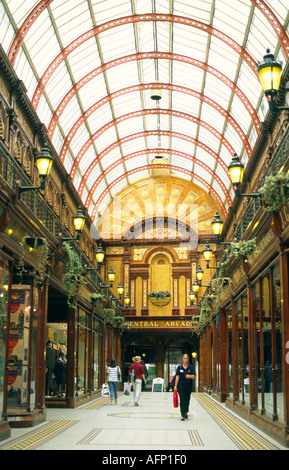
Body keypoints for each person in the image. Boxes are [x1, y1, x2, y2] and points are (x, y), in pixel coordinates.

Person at [174, 354, 195, 421]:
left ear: (188, 359)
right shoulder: (179, 367)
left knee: (187, 399)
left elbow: (194, 376)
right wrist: (175, 386)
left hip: (188, 386)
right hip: (181, 386)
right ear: (182, 359)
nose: (185, 360)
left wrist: (190, 376)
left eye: (186, 358)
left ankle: (186, 412)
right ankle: (182, 415)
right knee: (182, 399)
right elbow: (177, 376)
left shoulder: (191, 367)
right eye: (184, 358)